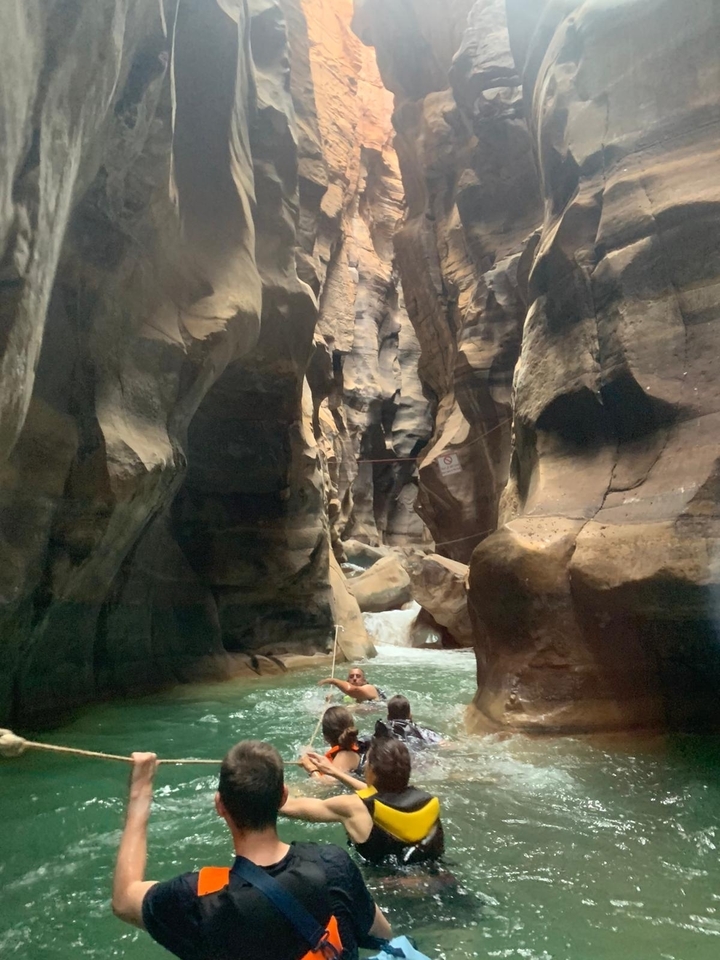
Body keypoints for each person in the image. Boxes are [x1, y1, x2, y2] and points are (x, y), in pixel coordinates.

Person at [112, 740, 391, 960]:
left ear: (220, 805)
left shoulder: (198, 899)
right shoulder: (332, 864)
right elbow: (382, 935)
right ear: (283, 797)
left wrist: (140, 790)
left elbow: (124, 900)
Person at [281, 738, 444, 867]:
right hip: (440, 878)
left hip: (385, 887)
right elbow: (377, 795)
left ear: (372, 771)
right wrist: (332, 771)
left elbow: (290, 806)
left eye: (367, 763)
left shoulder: (353, 807)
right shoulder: (426, 801)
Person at [300, 706, 362, 782]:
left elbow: (326, 785)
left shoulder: (345, 755)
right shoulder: (350, 749)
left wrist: (311, 767)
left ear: (325, 737)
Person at [374, 696, 443, 748]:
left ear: (388, 716)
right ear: (410, 715)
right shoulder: (423, 732)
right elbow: (446, 745)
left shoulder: (383, 732)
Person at [318, 667, 386, 703]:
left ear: (364, 681)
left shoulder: (370, 688)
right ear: (347, 681)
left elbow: (355, 690)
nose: (354, 678)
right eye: (351, 676)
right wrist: (330, 702)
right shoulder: (344, 696)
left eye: (358, 676)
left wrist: (333, 681)